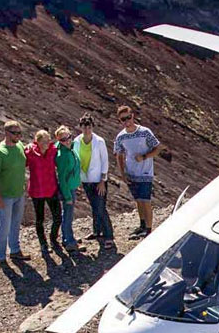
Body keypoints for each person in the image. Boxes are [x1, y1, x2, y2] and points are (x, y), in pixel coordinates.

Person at [114, 105, 160, 239]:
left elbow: (157, 148)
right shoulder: (121, 137)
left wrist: (145, 157)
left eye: (128, 117)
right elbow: (119, 155)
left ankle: (149, 230)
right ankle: (142, 225)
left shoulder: (145, 132)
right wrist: (122, 173)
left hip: (145, 172)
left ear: (133, 116)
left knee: (146, 200)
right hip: (131, 173)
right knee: (138, 200)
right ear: (120, 121)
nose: (127, 121)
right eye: (123, 119)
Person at [0, 120, 29, 263]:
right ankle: (0, 256)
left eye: (19, 133)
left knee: (16, 224)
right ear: (6, 133)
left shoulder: (19, 146)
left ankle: (15, 250)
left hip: (19, 193)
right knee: (4, 226)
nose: (18, 135)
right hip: (5, 196)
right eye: (15, 133)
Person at [73, 113, 113, 246]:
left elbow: (105, 162)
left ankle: (109, 235)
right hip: (86, 180)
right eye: (83, 126)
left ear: (92, 127)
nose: (86, 129)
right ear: (80, 127)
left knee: (100, 206)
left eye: (88, 126)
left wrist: (103, 180)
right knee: (93, 206)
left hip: (98, 180)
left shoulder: (99, 142)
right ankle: (97, 231)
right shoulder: (77, 141)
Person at [24, 129, 61, 253]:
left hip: (51, 189)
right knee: (40, 219)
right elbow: (20, 160)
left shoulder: (53, 151)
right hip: (37, 191)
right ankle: (43, 243)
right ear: (37, 141)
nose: (46, 143)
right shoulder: (30, 152)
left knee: (57, 217)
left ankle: (53, 238)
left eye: (48, 140)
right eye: (43, 141)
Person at [54, 126, 85, 252]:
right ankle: (69, 241)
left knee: (67, 214)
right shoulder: (63, 156)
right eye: (63, 140)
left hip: (72, 186)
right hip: (67, 189)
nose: (67, 141)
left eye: (69, 137)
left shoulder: (69, 149)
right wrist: (67, 197)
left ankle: (67, 237)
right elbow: (62, 178)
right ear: (59, 140)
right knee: (68, 214)